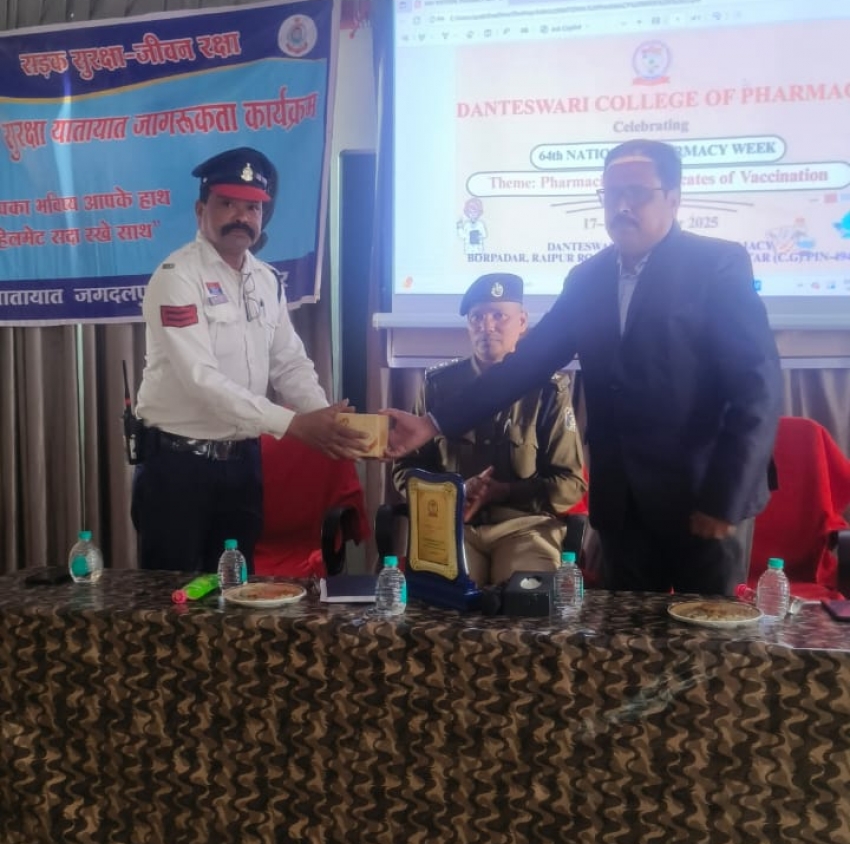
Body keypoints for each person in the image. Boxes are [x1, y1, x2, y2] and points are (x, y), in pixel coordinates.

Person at [386, 141, 783, 596]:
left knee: (706, 633)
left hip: (702, 496)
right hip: (623, 507)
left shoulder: (716, 264)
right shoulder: (587, 278)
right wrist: (431, 423)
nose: (622, 206)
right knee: (624, 636)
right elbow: (526, 364)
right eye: (611, 194)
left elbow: (757, 387)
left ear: (673, 198)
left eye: (637, 193)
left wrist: (725, 498)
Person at [132, 146, 369, 572]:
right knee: (170, 600)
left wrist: (325, 420)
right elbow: (201, 380)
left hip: (243, 465)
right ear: (201, 210)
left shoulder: (266, 280)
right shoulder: (176, 278)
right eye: (227, 204)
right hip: (178, 467)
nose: (241, 217)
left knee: (236, 592)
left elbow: (289, 363)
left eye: (252, 208)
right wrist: (296, 425)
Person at [392, 273, 586, 585]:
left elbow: (570, 484)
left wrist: (506, 491)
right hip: (453, 526)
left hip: (525, 527)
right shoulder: (438, 386)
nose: (487, 326)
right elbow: (406, 469)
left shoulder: (549, 389)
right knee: (445, 602)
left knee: (525, 602)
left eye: (499, 316)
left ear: (522, 322)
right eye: (477, 318)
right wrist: (453, 492)